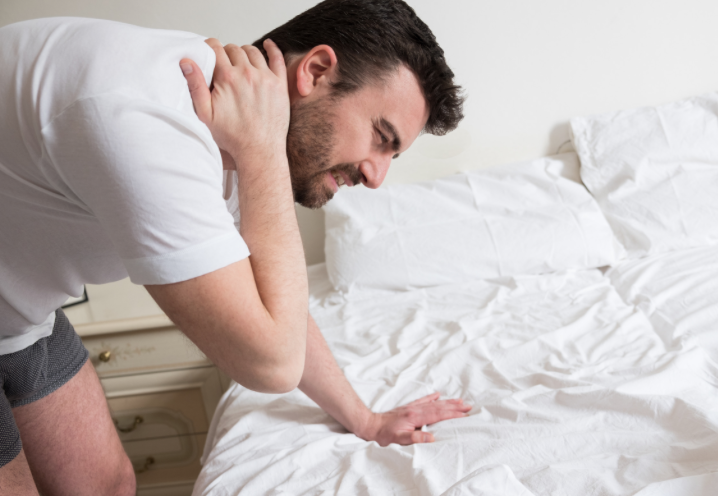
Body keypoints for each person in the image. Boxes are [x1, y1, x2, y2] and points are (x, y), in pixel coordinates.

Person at [0, 0, 467, 493]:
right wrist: (261, 150)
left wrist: (366, 421)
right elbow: (272, 362)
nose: (377, 176)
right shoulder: (152, 118)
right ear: (316, 70)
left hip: (19, 316)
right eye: (380, 137)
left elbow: (271, 309)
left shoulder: (235, 119)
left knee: (108, 485)